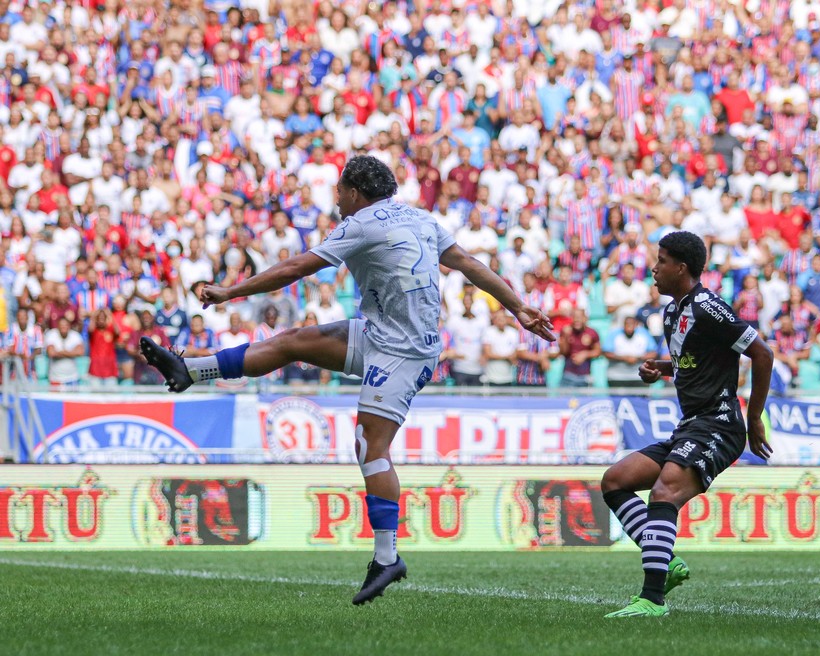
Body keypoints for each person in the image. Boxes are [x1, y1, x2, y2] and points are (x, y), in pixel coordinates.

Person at [139, 156, 554, 605]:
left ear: (354, 192)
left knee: (369, 445)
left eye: (339, 190)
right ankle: (190, 370)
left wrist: (229, 292)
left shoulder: (361, 222)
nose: (335, 198)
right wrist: (518, 306)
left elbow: (296, 268)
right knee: (293, 341)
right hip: (382, 332)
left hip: (405, 351)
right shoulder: (420, 217)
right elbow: (469, 263)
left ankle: (387, 557)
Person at [600, 231, 774, 618]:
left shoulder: (707, 306)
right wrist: (659, 369)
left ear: (681, 268)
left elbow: (762, 354)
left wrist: (754, 419)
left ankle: (652, 599)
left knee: (663, 494)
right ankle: (667, 560)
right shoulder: (671, 311)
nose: (654, 268)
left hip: (720, 425)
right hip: (692, 424)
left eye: (661, 261)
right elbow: (691, 361)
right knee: (615, 480)